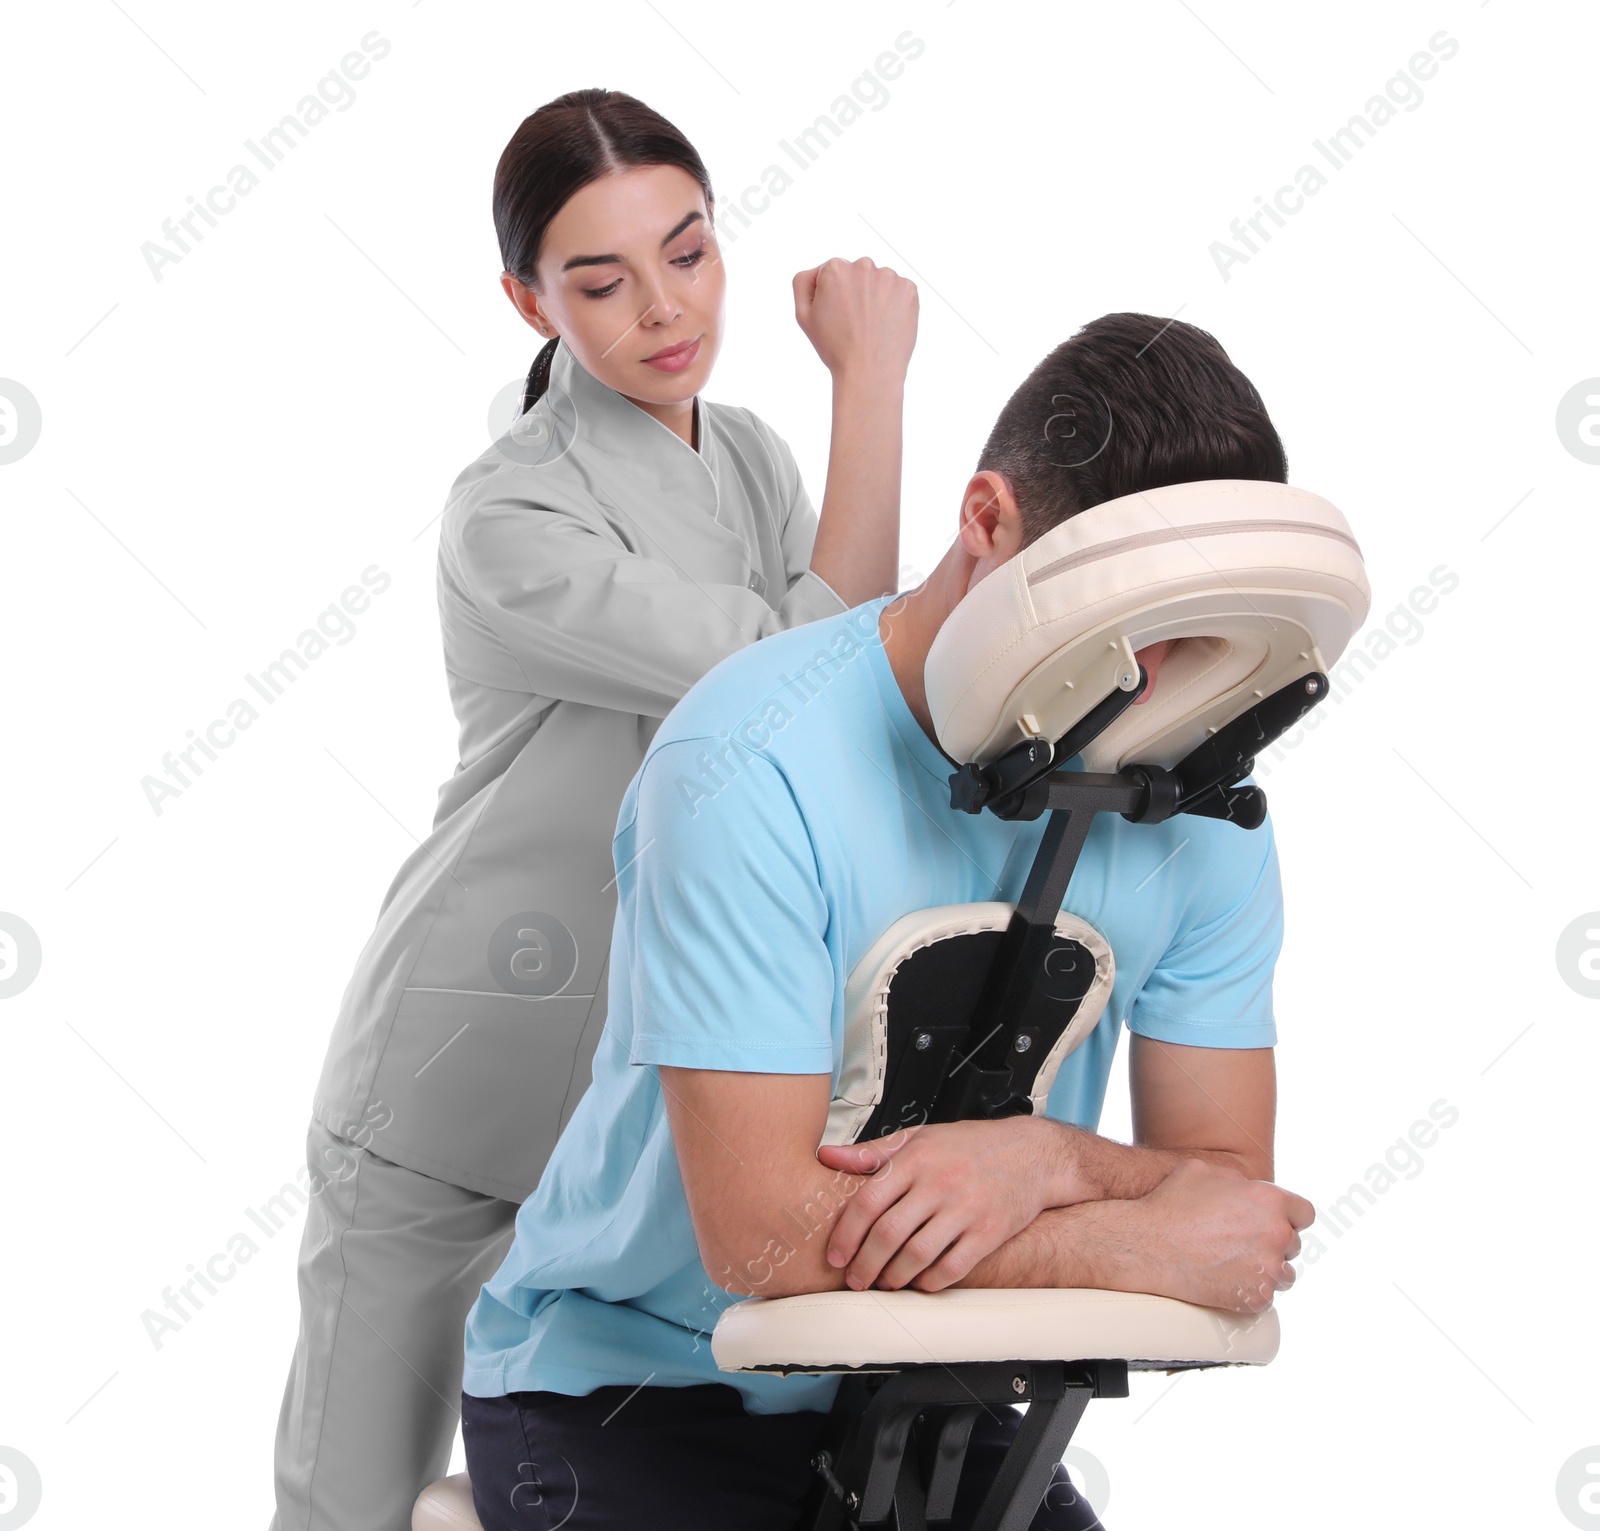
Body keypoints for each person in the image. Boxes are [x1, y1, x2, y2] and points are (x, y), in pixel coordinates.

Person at [457, 312, 1318, 1531]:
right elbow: (759, 1239)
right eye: (1127, 620)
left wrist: (1050, 1163)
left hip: (936, 1387)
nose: (1160, 671)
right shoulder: (747, 758)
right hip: (633, 1387)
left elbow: (1225, 1199)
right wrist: (1112, 1241)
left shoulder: (1191, 807)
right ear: (986, 524)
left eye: (1195, 625)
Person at [269, 89, 918, 1531]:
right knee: (356, 1508)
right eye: (600, 279)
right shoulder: (511, 514)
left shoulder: (744, 451)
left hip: (632, 1123)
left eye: (688, 254)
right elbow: (808, 679)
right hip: (460, 1084)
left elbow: (839, 692)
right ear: (526, 299)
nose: (663, 310)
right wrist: (871, 384)